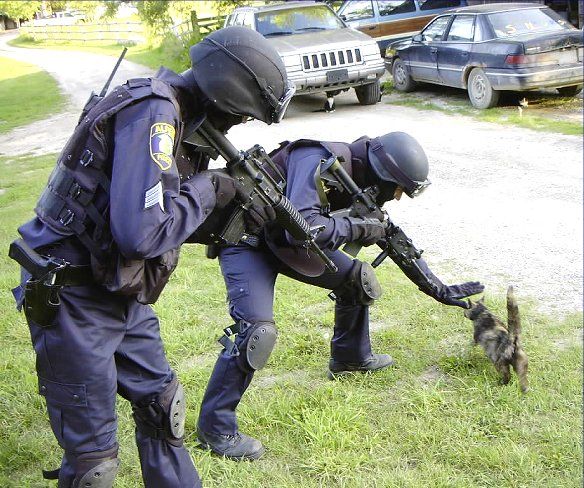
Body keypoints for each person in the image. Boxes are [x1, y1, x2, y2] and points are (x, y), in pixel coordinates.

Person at [9, 26, 294, 488]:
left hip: (119, 288)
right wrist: (210, 189)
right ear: (224, 96)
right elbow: (141, 233)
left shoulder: (180, 121)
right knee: (94, 466)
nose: (238, 125)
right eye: (242, 115)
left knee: (164, 406)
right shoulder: (154, 112)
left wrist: (234, 213)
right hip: (73, 294)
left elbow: (158, 218)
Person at [195, 131, 484, 461]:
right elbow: (302, 226)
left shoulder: (356, 182)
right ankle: (215, 429)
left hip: (288, 244)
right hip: (248, 242)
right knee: (256, 334)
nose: (399, 197)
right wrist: (361, 228)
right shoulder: (315, 157)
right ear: (384, 176)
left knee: (358, 280)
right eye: (400, 189)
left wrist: (438, 288)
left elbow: (393, 238)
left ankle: (349, 358)